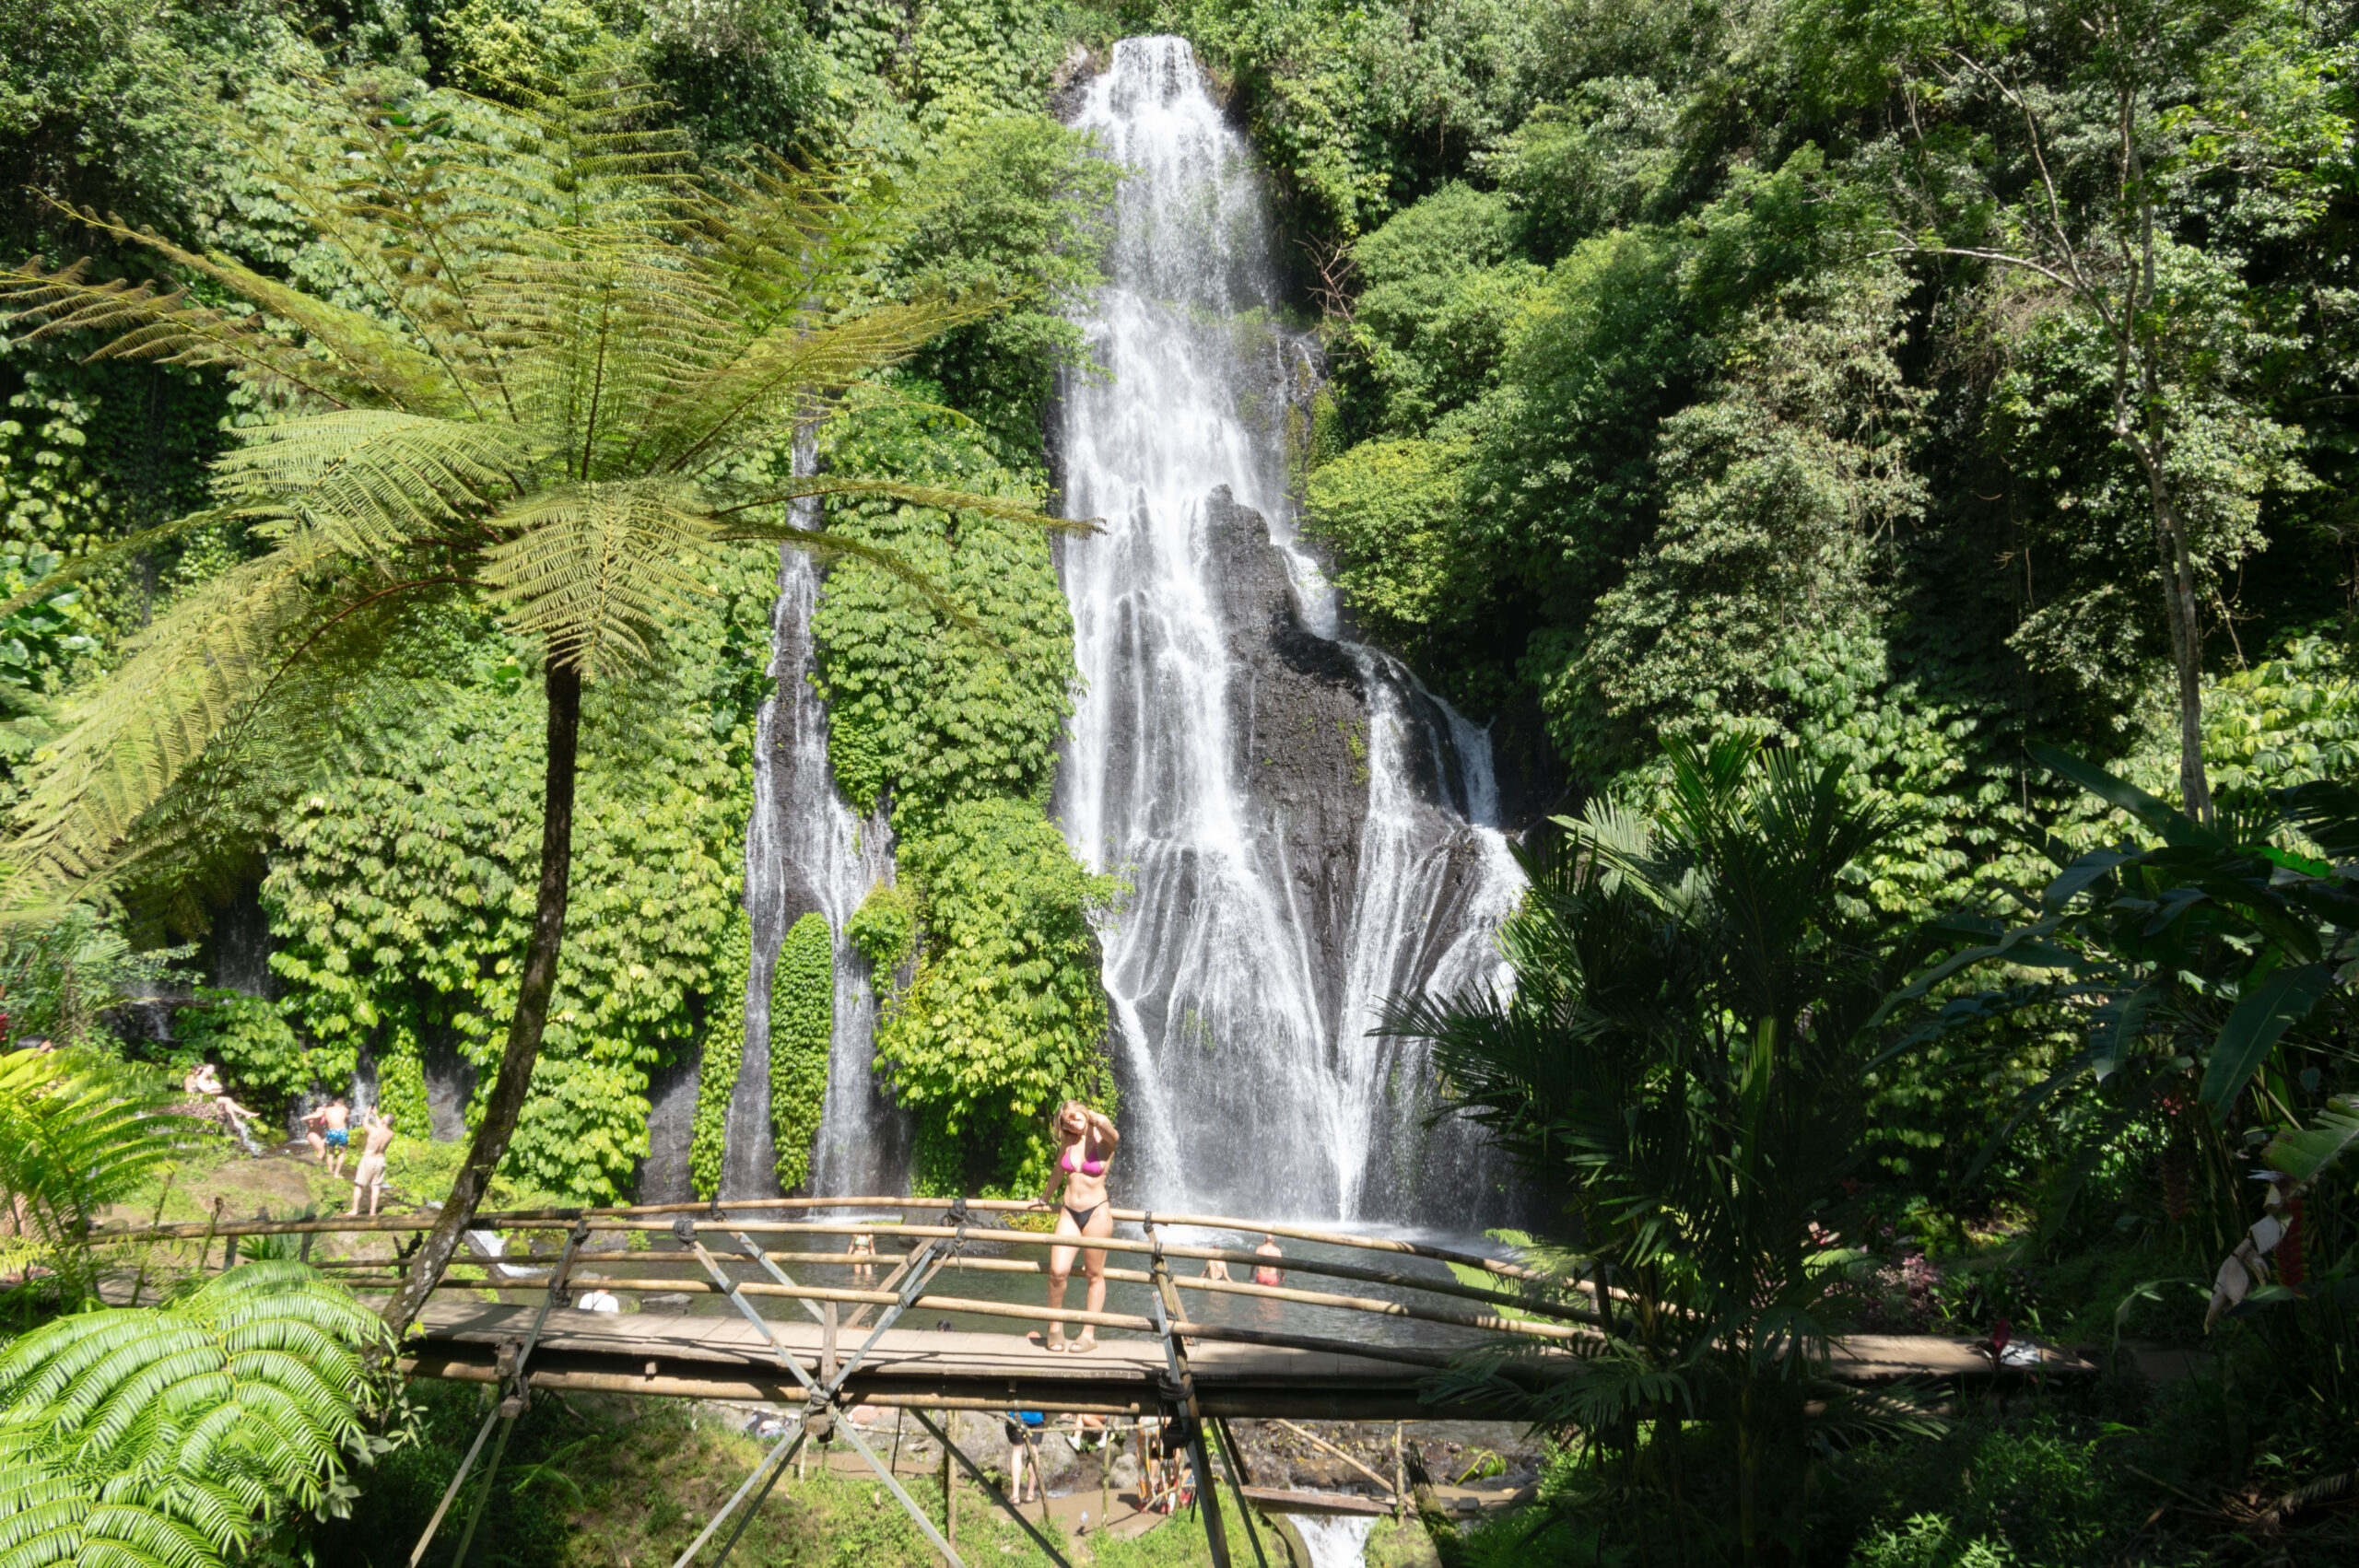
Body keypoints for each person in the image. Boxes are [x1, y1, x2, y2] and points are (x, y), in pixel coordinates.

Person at [1030, 1098, 1118, 1354]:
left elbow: (1107, 1127)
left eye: (1074, 1116)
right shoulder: (1068, 1142)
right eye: (1066, 1119)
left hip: (1097, 1215)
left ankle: (1088, 1334)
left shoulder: (1104, 1140)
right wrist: (1043, 1199)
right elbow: (1058, 1171)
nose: (1070, 1121)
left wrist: (1087, 1115)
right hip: (1069, 1213)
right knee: (1057, 1272)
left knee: (1094, 1275)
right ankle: (1054, 1328)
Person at [349, 1110, 396, 1217]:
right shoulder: (390, 1134)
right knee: (376, 1186)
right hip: (380, 1161)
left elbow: (364, 1124)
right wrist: (375, 1114)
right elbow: (382, 1126)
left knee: (359, 1184)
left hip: (368, 1159)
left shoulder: (373, 1130)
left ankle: (355, 1210)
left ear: (383, 1120)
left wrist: (367, 1114)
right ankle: (373, 1211)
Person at [1003, 1410, 1045, 1504]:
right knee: (1034, 1450)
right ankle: (1030, 1494)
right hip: (1036, 1417)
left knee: (1017, 1451)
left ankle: (1015, 1495)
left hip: (1017, 1417)